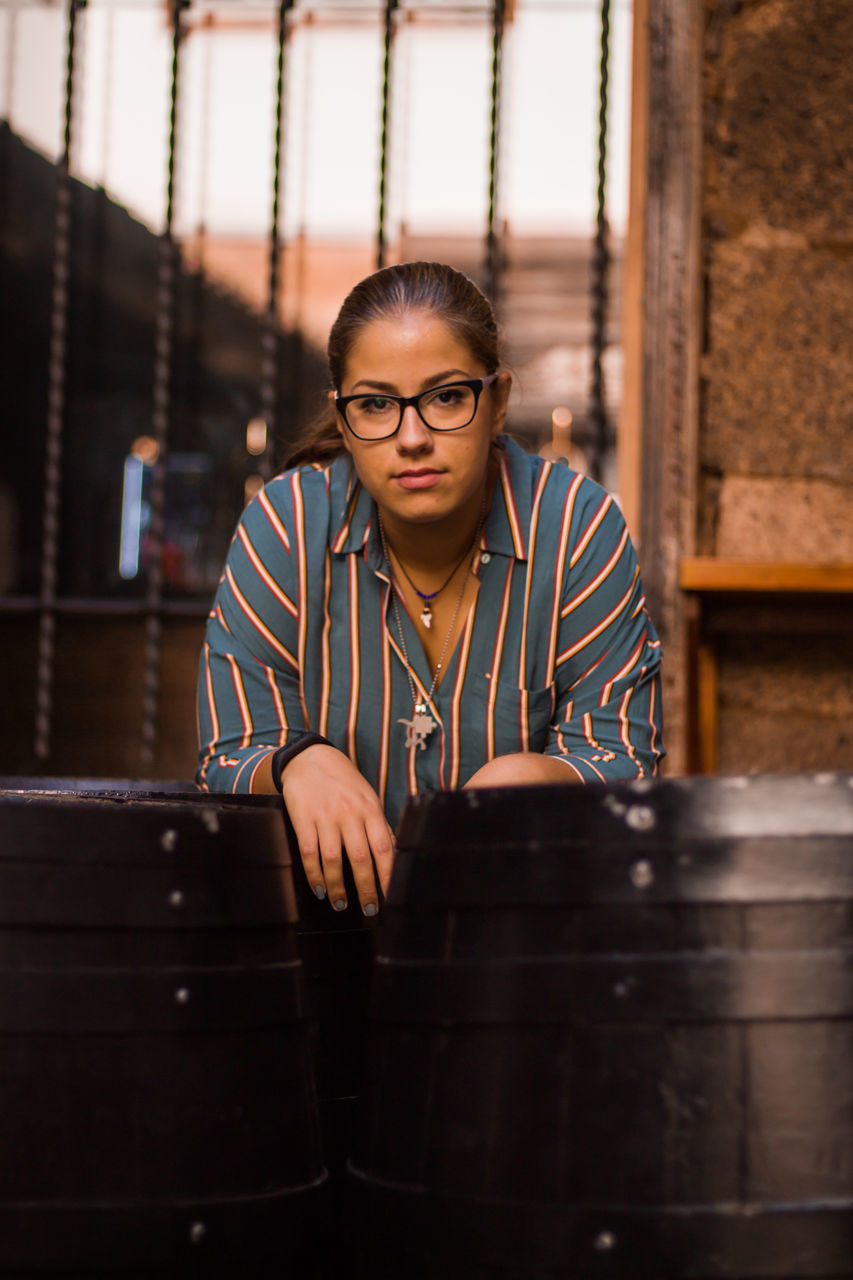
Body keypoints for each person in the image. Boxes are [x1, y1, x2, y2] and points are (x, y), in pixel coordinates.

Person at [196, 261, 664, 916]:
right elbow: (228, 753)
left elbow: (623, 760)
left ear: (496, 400)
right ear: (343, 415)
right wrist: (297, 763)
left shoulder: (576, 529)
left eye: (446, 397)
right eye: (376, 405)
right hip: (316, 937)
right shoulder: (288, 523)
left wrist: (537, 776)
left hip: (518, 937)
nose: (411, 439)